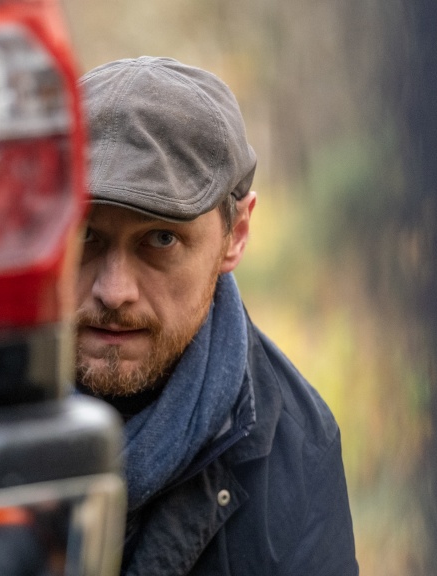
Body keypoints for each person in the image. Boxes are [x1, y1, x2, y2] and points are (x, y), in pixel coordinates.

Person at [75, 56, 359, 576]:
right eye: (84, 235)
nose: (113, 292)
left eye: (161, 239)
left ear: (236, 235)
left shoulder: (296, 450)